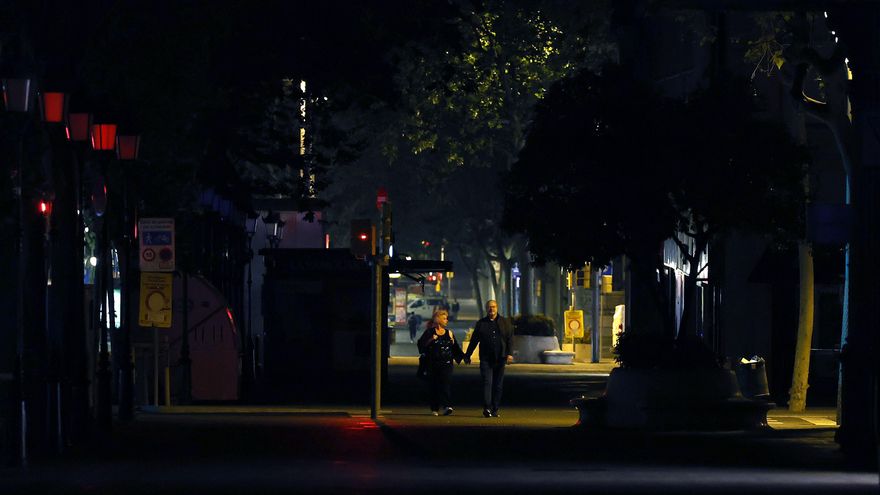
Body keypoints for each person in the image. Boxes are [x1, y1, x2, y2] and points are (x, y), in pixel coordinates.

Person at [464, 300, 513, 417]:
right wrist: (468, 355)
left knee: (498, 385)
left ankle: (495, 409)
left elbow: (510, 339)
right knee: (487, 383)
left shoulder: (505, 322)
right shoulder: (481, 324)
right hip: (486, 358)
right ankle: (487, 408)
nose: (492, 309)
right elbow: (474, 340)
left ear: (497, 308)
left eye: (494, 307)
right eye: (489, 307)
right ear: (486, 309)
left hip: (500, 358)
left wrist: (509, 354)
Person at [417, 308, 465, 416]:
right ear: (438, 320)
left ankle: (447, 406)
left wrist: (464, 357)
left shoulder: (449, 333)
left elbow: (455, 348)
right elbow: (421, 346)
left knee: (445, 385)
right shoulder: (429, 332)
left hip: (446, 364)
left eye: (446, 318)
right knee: (434, 386)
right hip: (432, 364)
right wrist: (431, 340)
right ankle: (434, 408)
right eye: (444, 318)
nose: (446, 320)